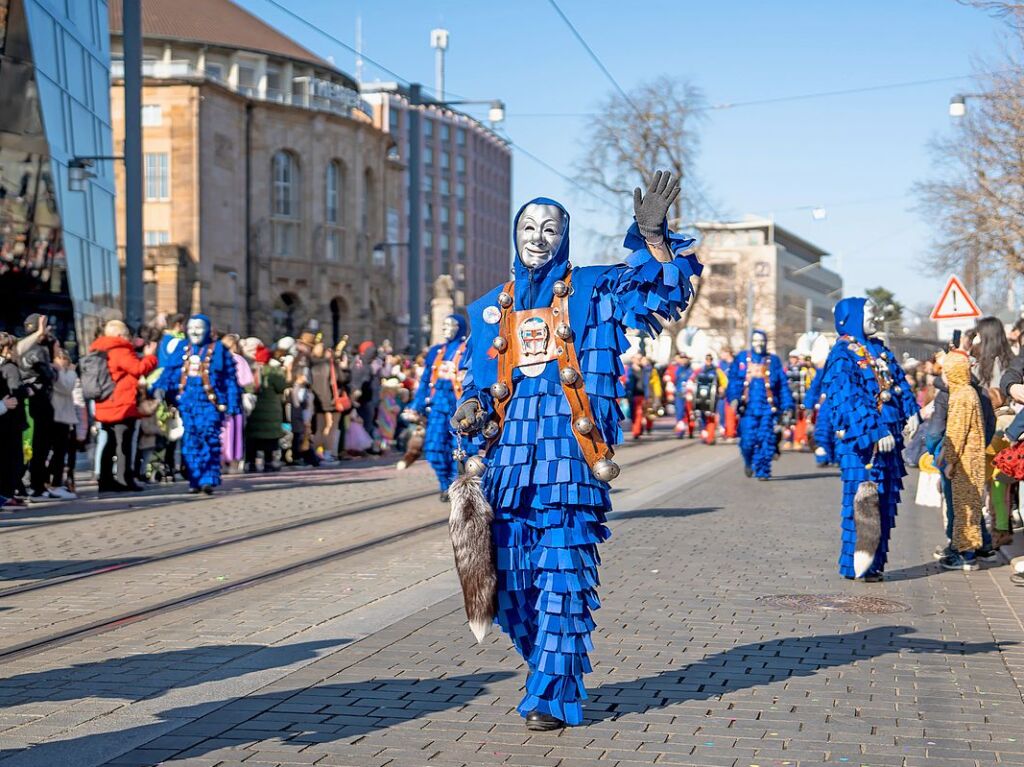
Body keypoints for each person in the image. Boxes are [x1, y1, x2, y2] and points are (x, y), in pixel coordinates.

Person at [451, 171, 701, 730]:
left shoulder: (595, 289)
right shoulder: (489, 308)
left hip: (570, 468)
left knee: (563, 583)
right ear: (515, 236)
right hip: (508, 469)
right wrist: (470, 408)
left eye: (551, 228)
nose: (538, 237)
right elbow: (479, 385)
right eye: (528, 227)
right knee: (512, 589)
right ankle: (548, 664)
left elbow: (660, 290)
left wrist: (655, 238)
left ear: (565, 236)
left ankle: (550, 696)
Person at [818, 298, 920, 581]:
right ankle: (854, 564)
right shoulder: (842, 354)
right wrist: (875, 430)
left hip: (891, 441)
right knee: (862, 501)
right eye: (870, 314)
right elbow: (846, 399)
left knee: (885, 501)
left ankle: (874, 565)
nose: (875, 319)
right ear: (851, 318)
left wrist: (911, 410)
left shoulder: (880, 349)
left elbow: (899, 384)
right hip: (862, 445)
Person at [152, 314, 240, 494]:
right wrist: (158, 388)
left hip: (211, 404)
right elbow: (169, 372)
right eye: (191, 328)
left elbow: (230, 379)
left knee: (209, 439)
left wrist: (232, 402)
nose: (194, 332)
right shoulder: (182, 349)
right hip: (187, 403)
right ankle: (194, 479)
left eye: (199, 328)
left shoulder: (219, 350)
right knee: (190, 441)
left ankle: (208, 478)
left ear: (207, 329)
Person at [90, 320, 158, 492]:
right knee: (123, 445)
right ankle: (124, 479)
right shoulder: (119, 349)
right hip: (122, 404)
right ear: (119, 335)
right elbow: (137, 368)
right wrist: (150, 356)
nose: (130, 338)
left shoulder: (98, 348)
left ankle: (105, 480)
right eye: (127, 334)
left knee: (110, 443)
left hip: (105, 402)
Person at [405, 314, 468, 500]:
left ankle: (459, 485)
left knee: (461, 449)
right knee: (433, 448)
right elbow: (425, 381)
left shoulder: (468, 350)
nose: (446, 329)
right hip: (438, 406)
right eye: (445, 325)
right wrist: (416, 405)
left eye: (452, 325)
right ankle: (445, 484)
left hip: (460, 407)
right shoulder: (436, 352)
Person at [938, 350, 987, 570]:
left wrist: (950, 461)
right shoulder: (969, 392)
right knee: (971, 506)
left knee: (964, 507)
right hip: (972, 457)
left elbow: (957, 433)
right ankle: (968, 552)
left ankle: (966, 555)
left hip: (965, 460)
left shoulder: (960, 396)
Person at [726, 330, 793, 480]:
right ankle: (748, 461)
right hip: (748, 409)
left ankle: (763, 471)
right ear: (751, 342)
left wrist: (787, 405)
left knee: (766, 440)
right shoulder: (742, 358)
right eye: (756, 341)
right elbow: (734, 380)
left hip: (768, 409)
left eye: (761, 340)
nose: (759, 344)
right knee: (748, 441)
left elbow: (782, 385)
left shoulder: (773, 361)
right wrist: (734, 398)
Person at [19, 314, 58, 501]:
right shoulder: (37, 349)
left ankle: (38, 484)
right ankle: (36, 485)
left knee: (38, 446)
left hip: (38, 401)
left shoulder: (31, 347)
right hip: (38, 402)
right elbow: (49, 374)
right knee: (38, 446)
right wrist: (53, 368)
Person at [245, 343, 285, 472]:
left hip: (253, 410)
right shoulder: (274, 371)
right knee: (270, 438)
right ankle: (268, 463)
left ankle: (250, 463)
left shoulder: (251, 371)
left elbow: (246, 387)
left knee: (252, 438)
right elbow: (281, 387)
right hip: (271, 411)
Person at [47, 347, 80, 499]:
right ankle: (54, 483)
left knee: (63, 453)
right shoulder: (58, 373)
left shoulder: (63, 373)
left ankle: (57, 482)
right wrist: (71, 372)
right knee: (57, 453)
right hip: (58, 417)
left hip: (64, 417)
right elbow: (67, 387)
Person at [0, 332, 27, 505]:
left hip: (6, 418)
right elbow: (16, 390)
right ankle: (6, 494)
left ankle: (6, 493)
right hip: (10, 421)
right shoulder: (10, 367)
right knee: (12, 459)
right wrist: (27, 390)